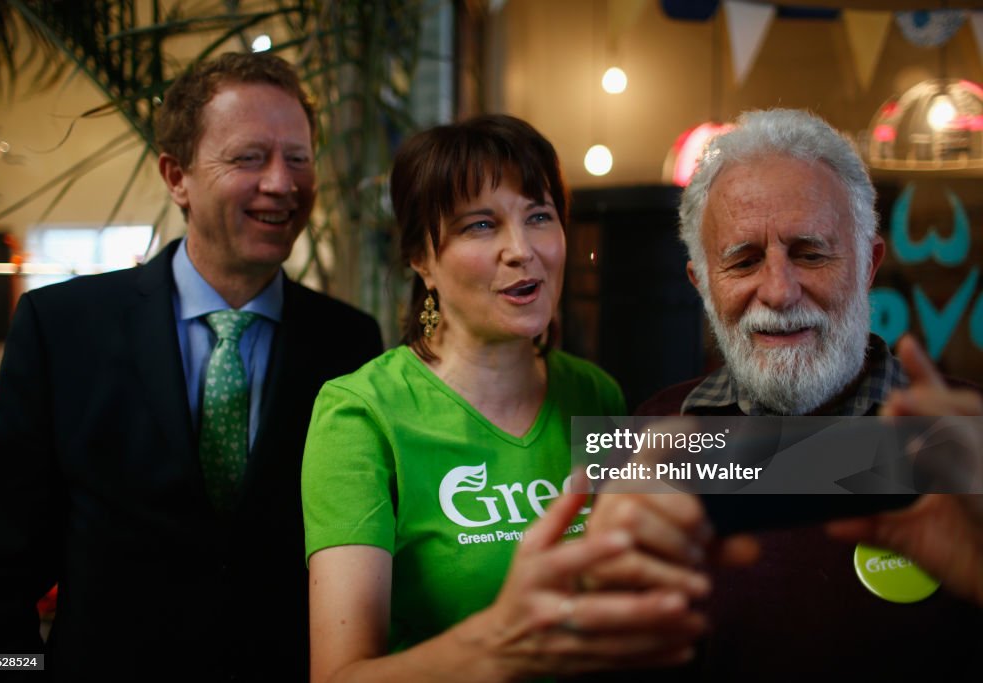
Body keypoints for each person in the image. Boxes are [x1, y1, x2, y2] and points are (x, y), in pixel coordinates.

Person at [0, 52, 383, 682]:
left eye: (298, 158)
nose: (282, 182)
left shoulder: (348, 343)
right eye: (249, 157)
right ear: (176, 175)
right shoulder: (64, 328)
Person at [301, 114, 719, 682]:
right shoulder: (361, 413)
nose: (522, 249)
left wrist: (879, 460)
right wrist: (498, 645)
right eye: (480, 225)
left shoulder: (594, 393)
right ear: (421, 259)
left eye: (540, 216)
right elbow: (337, 677)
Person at [616, 108, 983, 679]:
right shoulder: (657, 436)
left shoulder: (966, 442)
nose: (780, 292)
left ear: (868, 265)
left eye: (811, 253)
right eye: (742, 259)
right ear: (702, 284)